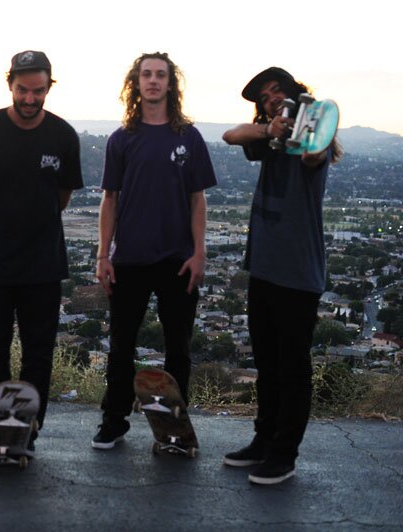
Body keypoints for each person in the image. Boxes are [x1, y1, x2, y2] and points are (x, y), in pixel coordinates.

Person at [0, 50, 84, 453]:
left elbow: (61, 196)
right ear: (10, 84)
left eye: (39, 91)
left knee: (38, 353)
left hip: (43, 267)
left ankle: (28, 427)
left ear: (49, 87)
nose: (30, 99)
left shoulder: (63, 136)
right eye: (23, 90)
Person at [222, 67, 341, 485]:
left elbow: (311, 155)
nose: (272, 97)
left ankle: (284, 454)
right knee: (267, 364)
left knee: (292, 367)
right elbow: (231, 136)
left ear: (294, 93)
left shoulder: (311, 142)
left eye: (278, 91)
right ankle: (263, 441)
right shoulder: (268, 141)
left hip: (297, 274)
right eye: (266, 95)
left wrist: (310, 126)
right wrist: (269, 128)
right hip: (265, 269)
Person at [92, 52, 216, 450]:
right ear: (136, 83)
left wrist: (199, 253)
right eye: (146, 74)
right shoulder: (121, 139)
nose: (153, 81)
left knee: (178, 348)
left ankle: (174, 427)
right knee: (121, 346)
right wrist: (102, 255)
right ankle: (113, 420)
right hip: (129, 259)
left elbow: (198, 200)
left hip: (178, 261)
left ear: (170, 84)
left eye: (161, 75)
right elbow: (109, 199)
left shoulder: (189, 138)